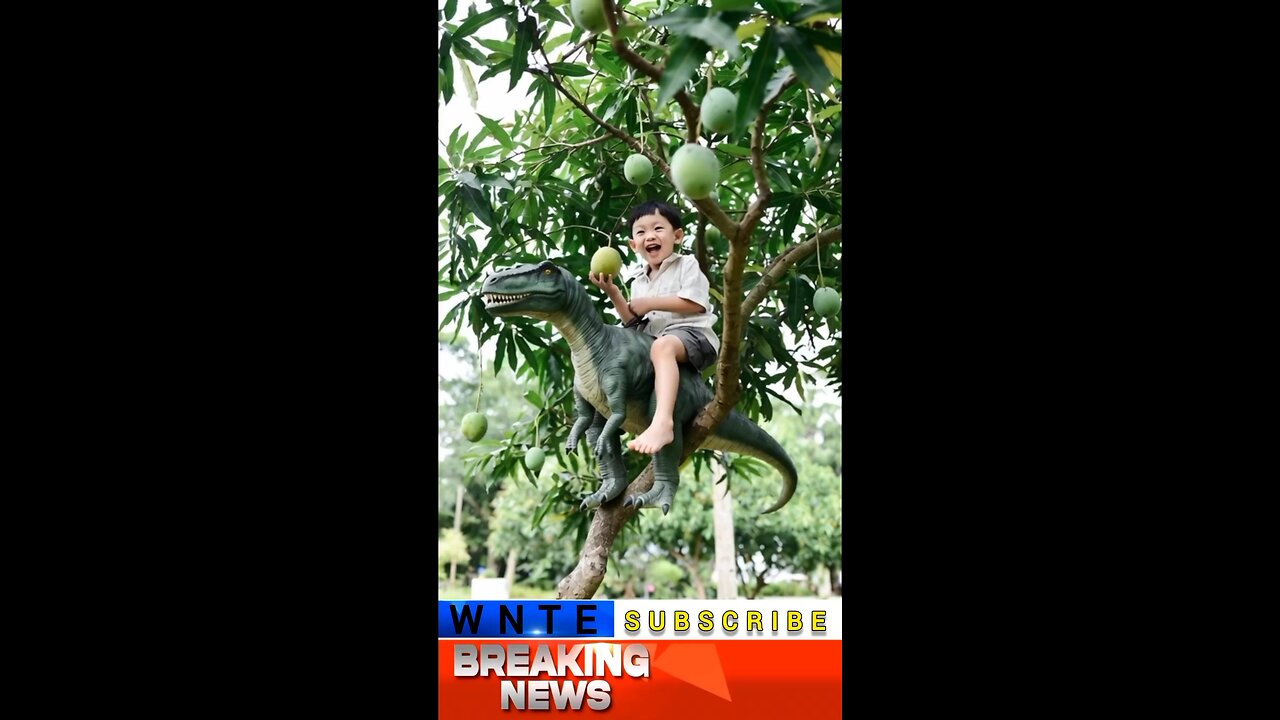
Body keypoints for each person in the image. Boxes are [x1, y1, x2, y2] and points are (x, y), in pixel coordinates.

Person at [588, 200, 720, 455]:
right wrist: (614, 293)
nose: (650, 236)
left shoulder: (686, 264)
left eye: (658, 228)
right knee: (628, 355)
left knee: (661, 347)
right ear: (633, 245)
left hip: (695, 336)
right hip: (659, 346)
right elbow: (633, 323)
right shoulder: (638, 281)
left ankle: (663, 422)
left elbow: (695, 304)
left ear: (677, 236)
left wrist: (650, 303)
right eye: (641, 232)